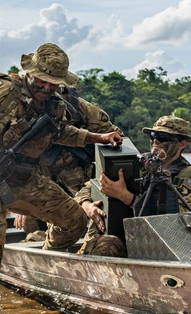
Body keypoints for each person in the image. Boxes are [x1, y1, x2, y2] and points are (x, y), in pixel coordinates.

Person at [0, 43, 123, 314]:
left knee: (74, 219)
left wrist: (97, 137)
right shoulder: (2, 89)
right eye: (43, 81)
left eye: (54, 83)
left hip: (21, 178)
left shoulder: (54, 105)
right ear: (30, 73)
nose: (47, 87)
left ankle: (44, 263)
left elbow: (61, 133)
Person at [76, 116, 191, 256]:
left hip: (156, 245)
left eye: (163, 137)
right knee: (105, 243)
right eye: (153, 135)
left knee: (108, 246)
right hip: (115, 236)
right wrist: (88, 206)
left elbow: (176, 219)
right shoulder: (135, 163)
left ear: (181, 144)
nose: (155, 141)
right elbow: (86, 189)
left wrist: (125, 196)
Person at [16, 89, 121, 240]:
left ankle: (85, 245)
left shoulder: (82, 110)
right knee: (27, 214)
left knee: (95, 214)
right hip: (47, 179)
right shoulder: (23, 110)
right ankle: (40, 241)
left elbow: (117, 144)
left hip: (85, 183)